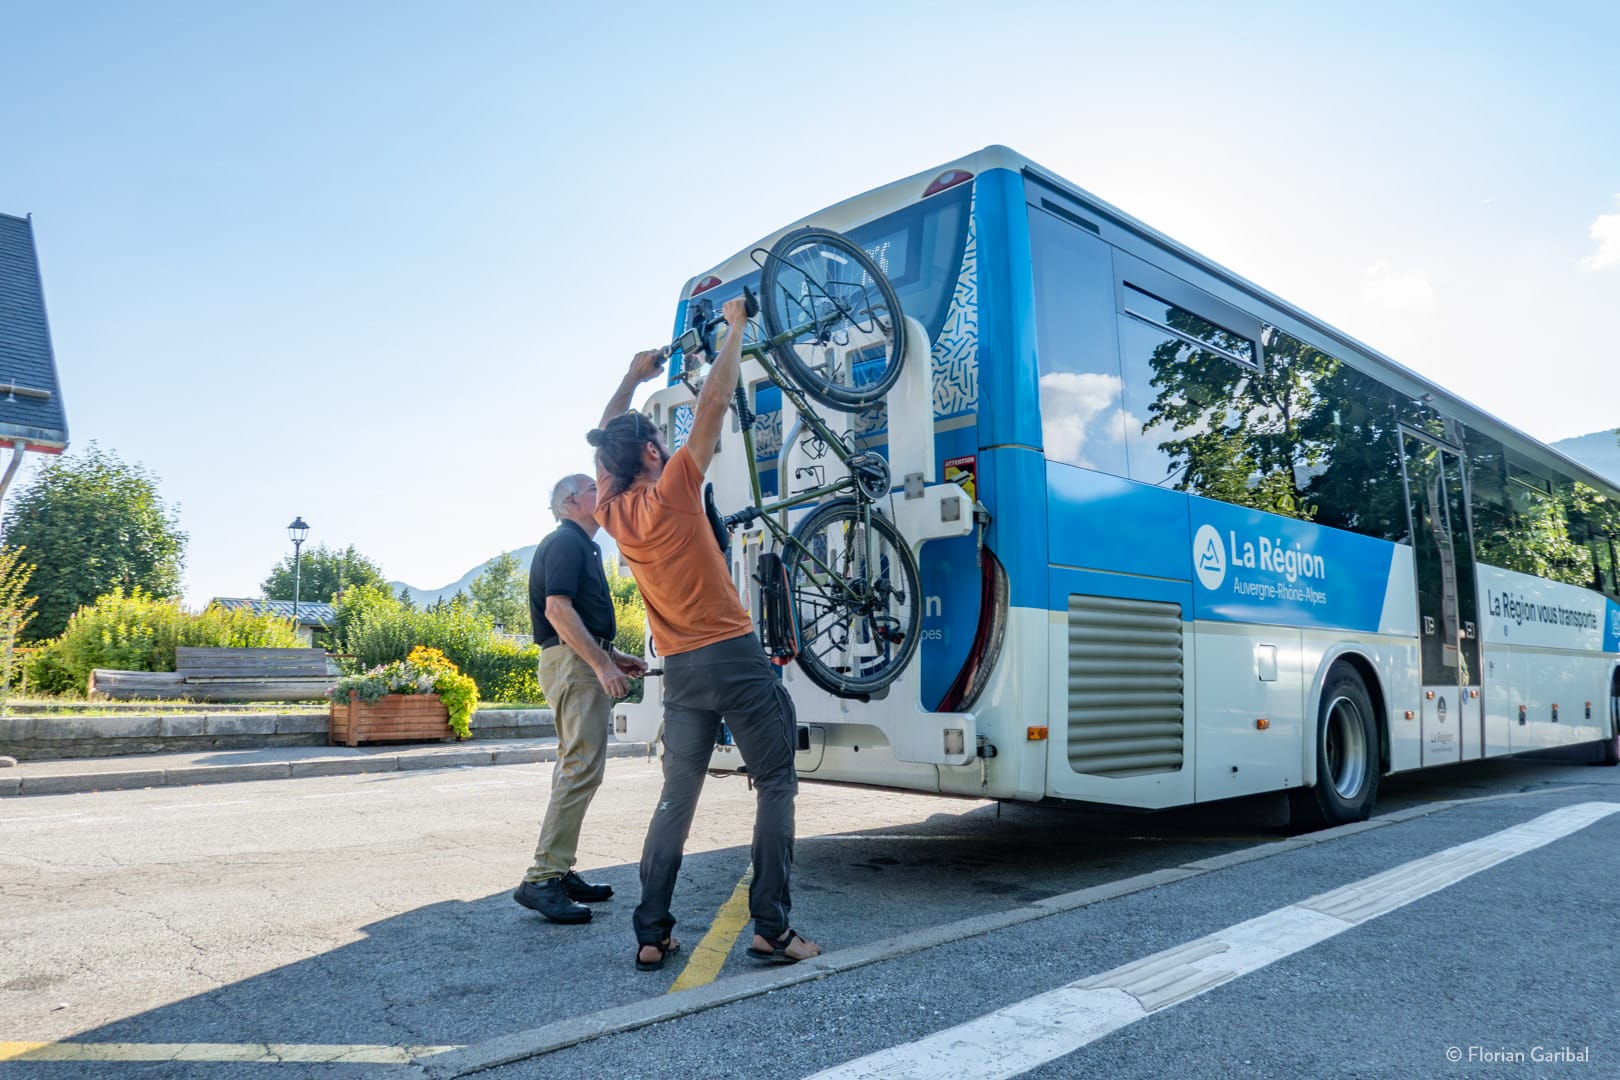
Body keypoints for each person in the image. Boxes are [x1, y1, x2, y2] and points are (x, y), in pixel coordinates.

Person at [589, 297, 821, 972]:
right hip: (735, 659)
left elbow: (611, 441)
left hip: (683, 671)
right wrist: (739, 329)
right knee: (774, 784)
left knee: (675, 797)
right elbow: (715, 403)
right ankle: (772, 930)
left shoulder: (612, 511)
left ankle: (652, 932)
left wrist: (633, 379)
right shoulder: (675, 490)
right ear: (655, 453)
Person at [512, 472, 647, 925]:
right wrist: (602, 665)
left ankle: (559, 869)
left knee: (578, 767)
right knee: (580, 768)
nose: (602, 490)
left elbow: (575, 618)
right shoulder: (567, 543)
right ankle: (543, 878)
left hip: (573, 660)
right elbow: (558, 611)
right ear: (572, 502)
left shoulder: (580, 543)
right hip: (572, 664)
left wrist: (616, 655)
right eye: (593, 487)